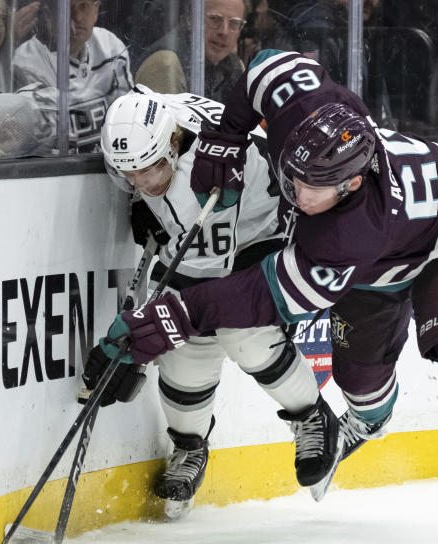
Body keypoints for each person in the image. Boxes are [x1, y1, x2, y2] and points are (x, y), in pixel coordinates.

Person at [95, 49, 438, 544]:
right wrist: (228, 136)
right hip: (371, 263)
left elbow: (255, 297)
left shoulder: (340, 240)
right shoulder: (309, 114)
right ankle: (368, 417)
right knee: (360, 385)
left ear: (352, 182)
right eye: (292, 177)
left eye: (312, 190)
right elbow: (269, 66)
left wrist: (168, 318)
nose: (295, 195)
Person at [85, 87, 321, 518]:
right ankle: (190, 447)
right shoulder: (152, 121)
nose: (139, 182)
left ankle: (311, 415)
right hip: (226, 220)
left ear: (174, 145)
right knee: (182, 343)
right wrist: (143, 197)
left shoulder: (201, 183)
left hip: (266, 229)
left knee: (237, 333)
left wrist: (136, 337)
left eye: (150, 171)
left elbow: (198, 298)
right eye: (128, 174)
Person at [13, 0, 133, 152]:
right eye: (68, 9)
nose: (77, 17)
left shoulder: (111, 47)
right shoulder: (26, 63)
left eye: (83, 6)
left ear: (95, 11)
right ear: (49, 15)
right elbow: (42, 145)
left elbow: (129, 122)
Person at [135, 0, 247, 104]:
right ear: (190, 18)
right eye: (214, 19)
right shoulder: (166, 63)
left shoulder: (235, 65)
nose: (224, 31)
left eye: (234, 23)